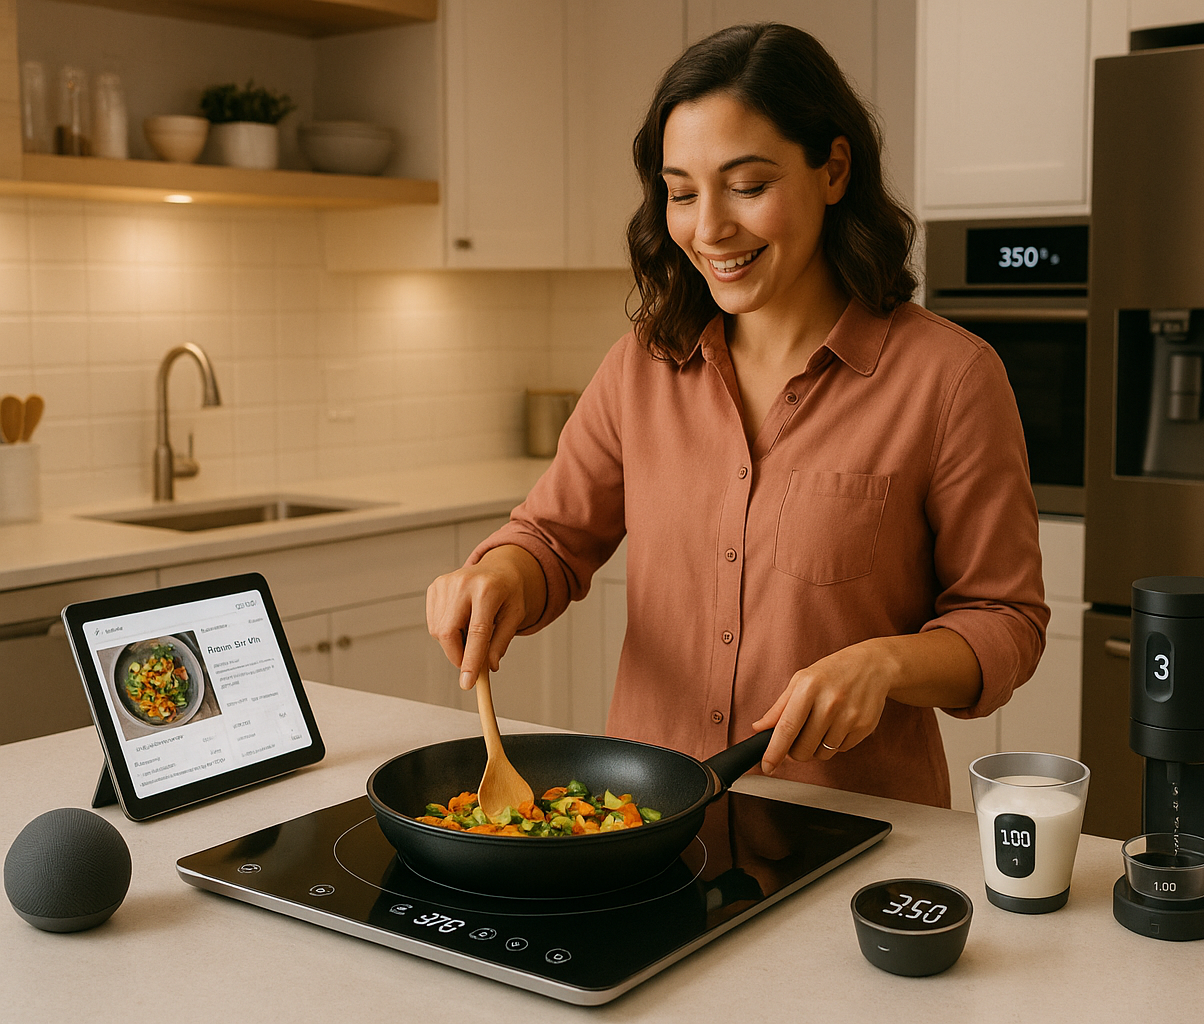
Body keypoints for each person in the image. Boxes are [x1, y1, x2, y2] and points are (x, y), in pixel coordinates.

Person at [426, 22, 1048, 807]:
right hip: (649, 823)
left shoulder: (950, 379)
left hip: (853, 830)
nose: (709, 228)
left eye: (748, 186)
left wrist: (886, 665)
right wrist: (496, 576)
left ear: (833, 169)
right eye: (682, 193)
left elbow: (1005, 618)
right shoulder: (643, 366)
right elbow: (550, 539)